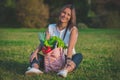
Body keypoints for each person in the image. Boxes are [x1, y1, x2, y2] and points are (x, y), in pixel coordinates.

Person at [25, 4, 83, 77]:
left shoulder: (73, 29)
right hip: (51, 59)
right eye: (64, 12)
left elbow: (70, 48)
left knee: (79, 56)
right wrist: (35, 52)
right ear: (60, 12)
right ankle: (35, 69)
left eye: (68, 14)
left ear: (71, 18)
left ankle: (65, 71)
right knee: (34, 55)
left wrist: (68, 60)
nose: (65, 15)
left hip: (65, 59)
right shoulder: (51, 27)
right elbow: (44, 43)